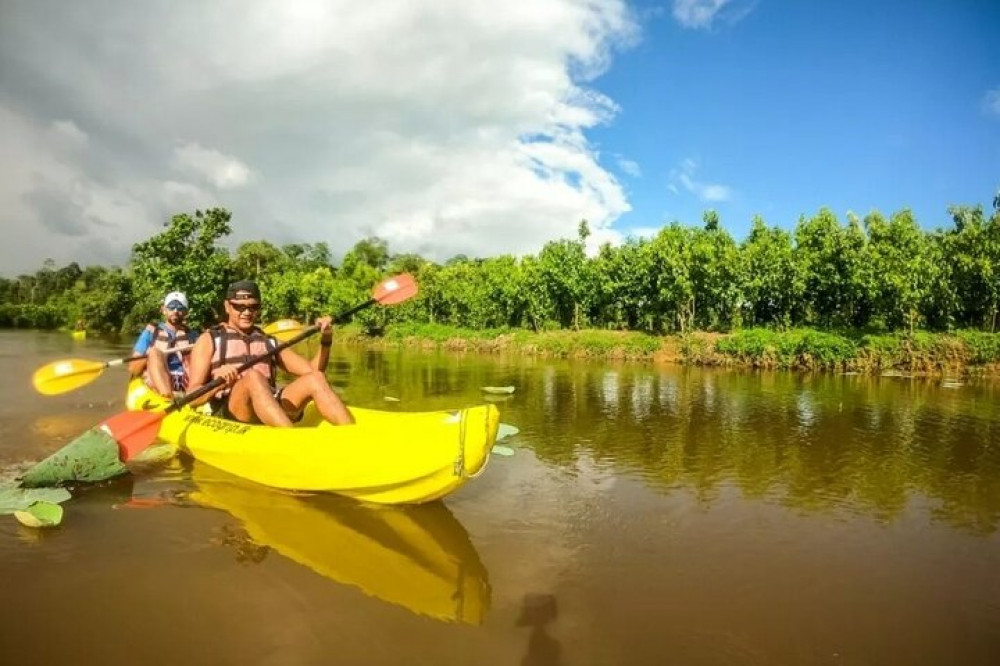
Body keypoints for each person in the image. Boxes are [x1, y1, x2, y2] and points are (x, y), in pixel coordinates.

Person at [185, 279, 354, 426]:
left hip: (271, 405)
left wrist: (326, 340)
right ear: (227, 307)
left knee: (316, 379)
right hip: (234, 411)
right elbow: (192, 398)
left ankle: (351, 435)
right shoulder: (209, 339)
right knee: (253, 377)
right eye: (239, 307)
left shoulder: (269, 341)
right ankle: (290, 440)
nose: (246, 312)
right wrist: (218, 382)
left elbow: (314, 370)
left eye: (253, 307)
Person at [129, 291, 200, 398]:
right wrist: (150, 355)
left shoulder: (193, 336)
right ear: (163, 310)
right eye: (171, 307)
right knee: (154, 352)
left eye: (180, 308)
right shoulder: (151, 332)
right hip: (156, 386)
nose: (175, 311)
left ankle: (191, 397)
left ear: (186, 312)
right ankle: (166, 396)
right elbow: (133, 368)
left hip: (185, 386)